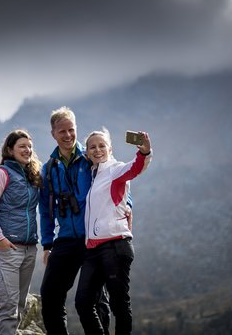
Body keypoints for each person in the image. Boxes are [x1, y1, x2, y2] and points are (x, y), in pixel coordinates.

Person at [40, 106, 119, 334]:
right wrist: (47, 244)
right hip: (64, 240)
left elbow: (116, 178)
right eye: (62, 131)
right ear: (53, 133)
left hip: (93, 238)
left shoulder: (91, 158)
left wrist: (128, 205)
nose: (67, 135)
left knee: (95, 300)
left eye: (71, 130)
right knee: (50, 295)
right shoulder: (48, 169)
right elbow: (45, 210)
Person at [74, 128, 152, 334]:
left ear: (110, 149)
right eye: (92, 147)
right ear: (87, 153)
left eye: (102, 145)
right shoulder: (94, 176)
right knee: (83, 303)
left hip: (115, 246)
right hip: (93, 250)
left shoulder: (115, 169)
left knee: (119, 305)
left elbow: (135, 168)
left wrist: (144, 152)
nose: (97, 149)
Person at [0, 129, 42, 334]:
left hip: (29, 248)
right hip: (8, 248)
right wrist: (0, 238)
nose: (27, 150)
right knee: (8, 306)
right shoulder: (2, 173)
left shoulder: (32, 174)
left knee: (20, 303)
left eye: (29, 146)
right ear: (10, 149)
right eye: (22, 146)